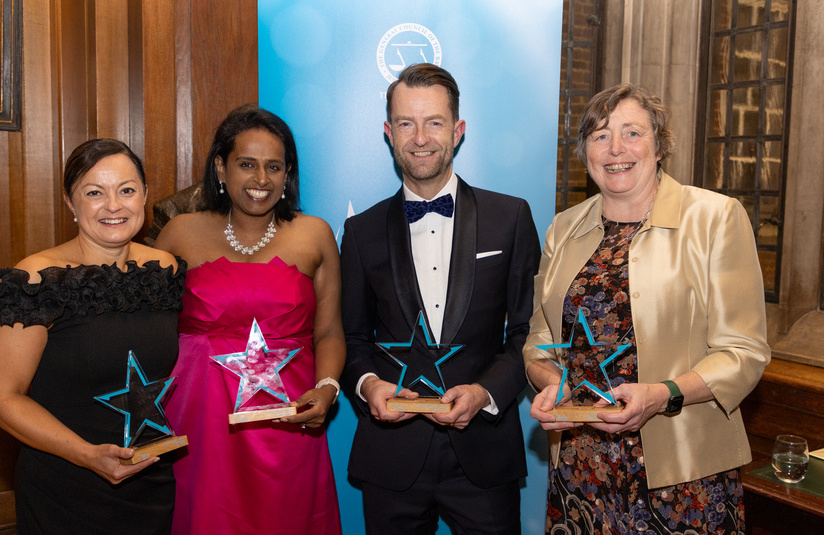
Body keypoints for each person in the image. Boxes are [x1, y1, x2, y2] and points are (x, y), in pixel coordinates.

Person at [523, 83, 771, 534]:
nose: (615, 148)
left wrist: (662, 394)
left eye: (632, 133)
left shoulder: (715, 219)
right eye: (600, 136)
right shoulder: (562, 229)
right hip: (581, 471)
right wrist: (552, 386)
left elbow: (744, 351)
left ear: (659, 145)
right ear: (585, 153)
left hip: (684, 475)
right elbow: (540, 342)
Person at [340, 63, 540, 534]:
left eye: (434, 122)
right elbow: (351, 338)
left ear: (458, 130)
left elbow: (529, 333)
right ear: (389, 133)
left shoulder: (510, 217)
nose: (420, 138)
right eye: (406, 123)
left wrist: (486, 392)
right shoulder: (360, 231)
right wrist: (369, 386)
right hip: (391, 457)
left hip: (486, 452)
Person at [154, 104, 343, 534]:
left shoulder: (315, 234)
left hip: (289, 421)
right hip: (198, 424)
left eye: (274, 167)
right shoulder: (180, 233)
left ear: (287, 173)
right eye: (247, 165)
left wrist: (327, 389)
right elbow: (144, 328)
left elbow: (329, 330)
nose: (261, 180)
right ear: (220, 168)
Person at [0, 139, 184, 534]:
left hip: (149, 483)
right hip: (66, 487)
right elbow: (4, 398)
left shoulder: (163, 270)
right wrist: (86, 455)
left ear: (146, 195)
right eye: (95, 193)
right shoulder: (38, 278)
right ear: (70, 202)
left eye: (127, 190)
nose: (114, 205)